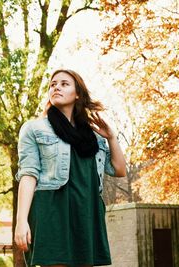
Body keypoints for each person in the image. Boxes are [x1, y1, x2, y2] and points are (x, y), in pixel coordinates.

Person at [14, 69, 126, 267]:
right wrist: (21, 220)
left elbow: (118, 170)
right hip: (51, 209)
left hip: (86, 210)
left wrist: (112, 138)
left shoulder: (93, 137)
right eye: (53, 84)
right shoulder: (34, 129)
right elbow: (28, 175)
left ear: (77, 94)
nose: (56, 87)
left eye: (64, 84)